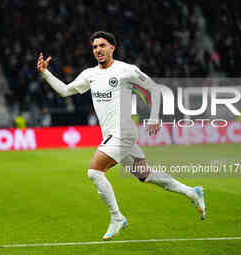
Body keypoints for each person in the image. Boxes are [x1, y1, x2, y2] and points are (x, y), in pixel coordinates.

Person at [37, 31, 206, 241]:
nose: (98, 50)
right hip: (111, 134)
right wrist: (46, 73)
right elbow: (64, 91)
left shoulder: (126, 70)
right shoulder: (90, 74)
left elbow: (154, 89)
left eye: (102, 45)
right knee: (145, 175)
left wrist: (154, 117)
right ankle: (192, 192)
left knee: (94, 172)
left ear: (112, 48)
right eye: (94, 47)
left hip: (123, 131)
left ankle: (117, 217)